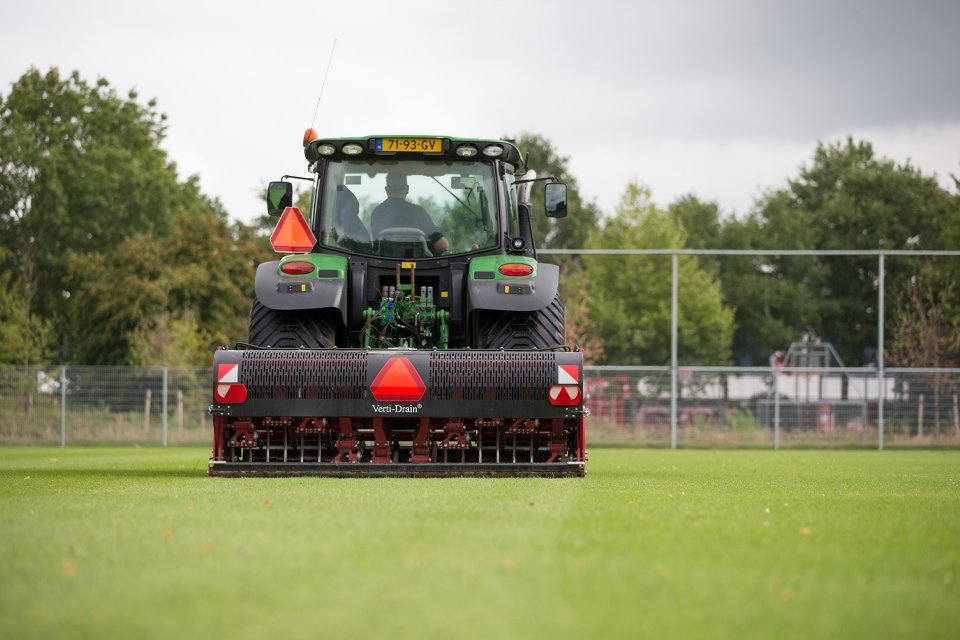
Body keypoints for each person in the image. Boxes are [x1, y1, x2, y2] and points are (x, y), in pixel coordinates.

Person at [370, 172, 449, 255]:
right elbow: (442, 246)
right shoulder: (419, 212)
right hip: (421, 266)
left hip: (381, 265)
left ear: (386, 190)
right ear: (407, 189)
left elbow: (376, 246)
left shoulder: (377, 213)